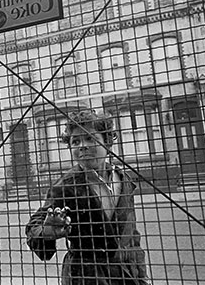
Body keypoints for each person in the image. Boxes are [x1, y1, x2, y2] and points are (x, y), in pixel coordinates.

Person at [25, 110, 148, 285]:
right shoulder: (65, 186)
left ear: (106, 142)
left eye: (90, 138)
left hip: (127, 275)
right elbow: (34, 229)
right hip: (86, 276)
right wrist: (47, 233)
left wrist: (140, 274)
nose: (82, 146)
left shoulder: (124, 179)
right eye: (75, 141)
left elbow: (132, 235)